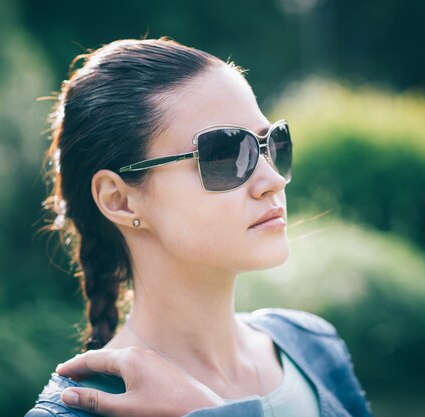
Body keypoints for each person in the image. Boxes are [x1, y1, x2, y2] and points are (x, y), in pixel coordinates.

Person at [25, 37, 373, 417]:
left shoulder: (311, 345)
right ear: (119, 200)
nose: (273, 179)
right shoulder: (77, 412)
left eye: (271, 143)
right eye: (224, 154)